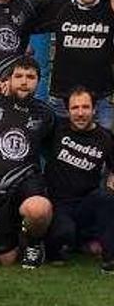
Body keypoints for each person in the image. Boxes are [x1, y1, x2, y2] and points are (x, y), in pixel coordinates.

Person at [0, 56, 55, 268]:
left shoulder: (46, 114)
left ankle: (34, 244)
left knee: (39, 209)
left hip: (26, 183)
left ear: (39, 81)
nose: (24, 81)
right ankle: (18, 233)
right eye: (18, 76)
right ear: (8, 79)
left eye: (30, 77)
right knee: (6, 260)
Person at [34, 0, 114, 130]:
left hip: (100, 99)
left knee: (103, 152)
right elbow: (20, 6)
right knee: (59, 151)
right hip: (62, 98)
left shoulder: (110, 6)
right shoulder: (59, 5)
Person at [43, 86, 114, 273]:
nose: (80, 113)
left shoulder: (105, 138)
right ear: (67, 111)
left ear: (94, 109)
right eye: (75, 108)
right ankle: (72, 243)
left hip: (86, 204)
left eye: (85, 107)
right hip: (58, 204)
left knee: (106, 198)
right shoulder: (56, 129)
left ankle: (110, 259)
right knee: (63, 234)